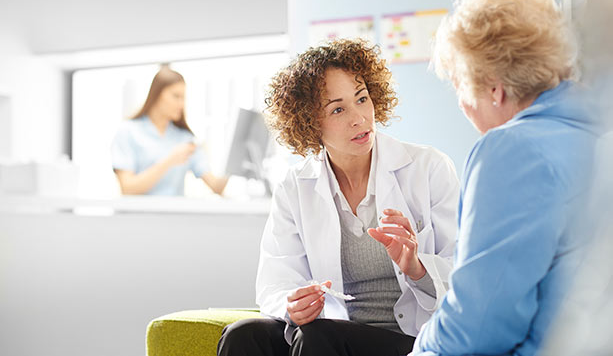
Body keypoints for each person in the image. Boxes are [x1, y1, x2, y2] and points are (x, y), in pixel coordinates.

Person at [217, 39, 460, 356]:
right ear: (308, 122)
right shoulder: (295, 187)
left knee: (319, 337)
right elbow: (274, 283)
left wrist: (416, 266)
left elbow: (464, 276)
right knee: (243, 335)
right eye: (338, 109)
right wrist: (294, 305)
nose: (359, 117)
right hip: (328, 332)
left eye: (362, 99)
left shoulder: (429, 168)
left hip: (410, 339)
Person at [412, 0, 600, 355]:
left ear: (494, 89)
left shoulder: (513, 150)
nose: (463, 105)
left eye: (460, 87)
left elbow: (478, 327)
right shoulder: (594, 130)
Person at [111, 66, 227, 196]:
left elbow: (216, 186)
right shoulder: (128, 131)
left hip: (174, 215)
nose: (181, 104)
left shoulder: (185, 138)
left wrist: (234, 162)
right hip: (138, 216)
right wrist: (170, 160)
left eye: (183, 98)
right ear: (157, 95)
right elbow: (127, 188)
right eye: (176, 96)